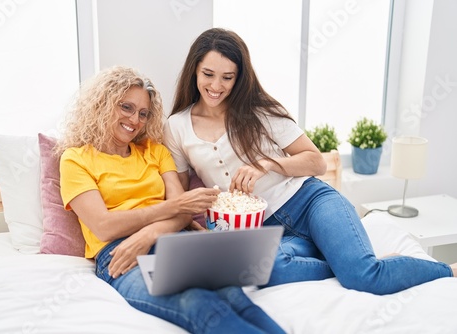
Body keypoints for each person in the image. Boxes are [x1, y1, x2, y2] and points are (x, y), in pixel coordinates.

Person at [165, 27, 457, 295]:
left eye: (227, 77)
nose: (217, 85)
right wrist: (192, 225)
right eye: (208, 74)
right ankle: (342, 260)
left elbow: (316, 161)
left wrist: (265, 164)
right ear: (195, 71)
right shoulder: (176, 127)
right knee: (267, 270)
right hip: (262, 228)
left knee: (364, 277)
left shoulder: (258, 111)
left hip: (310, 202)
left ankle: (446, 270)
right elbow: (178, 193)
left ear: (239, 77)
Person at [57, 65, 286, 334]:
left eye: (143, 113)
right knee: (198, 305)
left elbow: (184, 213)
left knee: (235, 297)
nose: (135, 120)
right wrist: (170, 208)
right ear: (103, 103)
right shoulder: (75, 159)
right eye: (126, 107)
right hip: (120, 254)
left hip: (173, 243)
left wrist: (149, 234)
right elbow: (104, 226)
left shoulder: (155, 151)